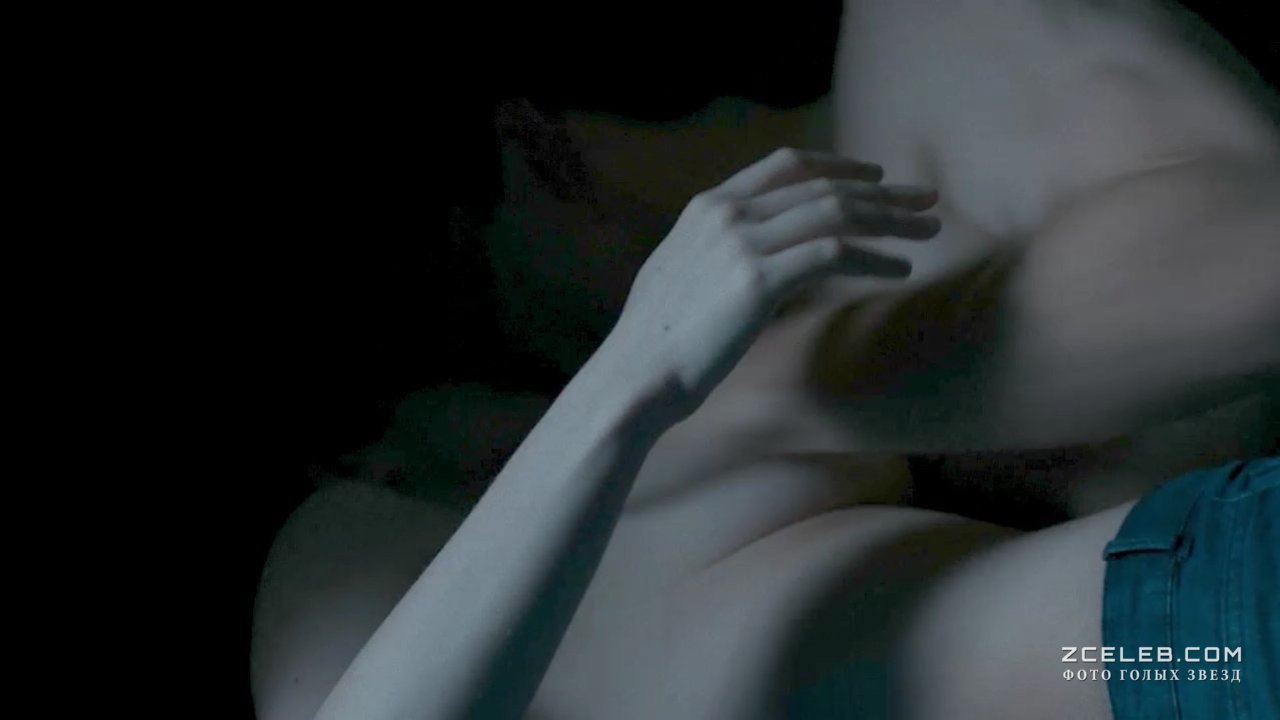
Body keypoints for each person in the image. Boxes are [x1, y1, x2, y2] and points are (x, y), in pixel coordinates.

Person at [251, 1, 1280, 718]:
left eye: (469, 278)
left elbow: (1258, 260)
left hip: (1197, 627)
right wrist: (645, 389)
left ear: (531, 153)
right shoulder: (393, 514)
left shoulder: (919, 51)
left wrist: (723, 393)